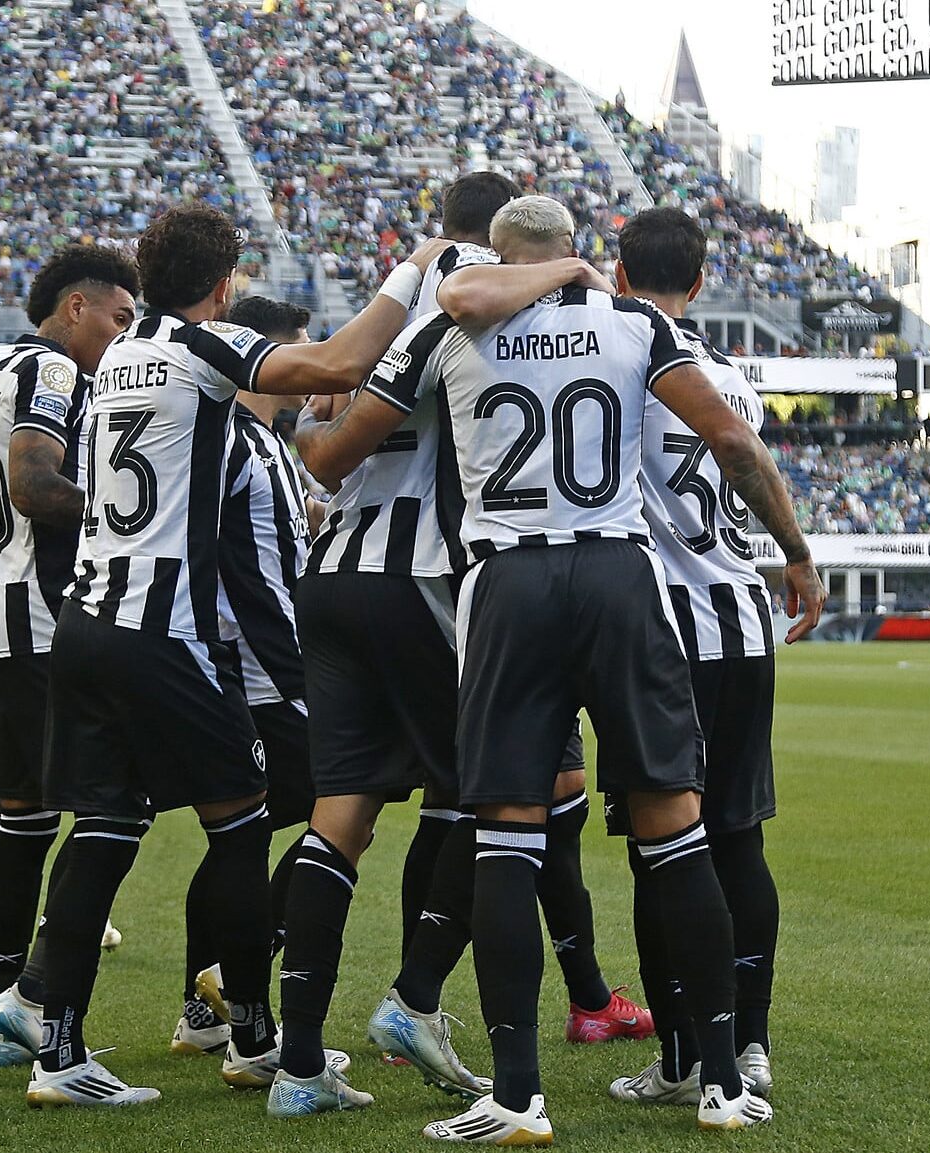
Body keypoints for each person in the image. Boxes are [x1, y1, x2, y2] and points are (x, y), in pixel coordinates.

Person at [344, 195, 820, 1142]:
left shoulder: (451, 324)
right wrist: (795, 551)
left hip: (510, 582)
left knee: (507, 838)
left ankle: (517, 1095)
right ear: (572, 254)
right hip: (618, 575)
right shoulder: (635, 320)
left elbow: (344, 436)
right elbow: (729, 439)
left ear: (499, 257)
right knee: (678, 828)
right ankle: (723, 1077)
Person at [22, 204, 447, 1108]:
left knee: (101, 827)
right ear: (222, 290)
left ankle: (56, 1051)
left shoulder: (119, 355)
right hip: (159, 631)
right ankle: (257, 1038)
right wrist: (413, 274)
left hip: (87, 620)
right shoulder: (193, 345)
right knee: (242, 823)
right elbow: (335, 364)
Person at [267, 172, 636, 1119]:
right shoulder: (485, 296)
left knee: (342, 811)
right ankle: (417, 997)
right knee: (526, 788)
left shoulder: (396, 290)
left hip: (335, 571)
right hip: (427, 578)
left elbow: (323, 434)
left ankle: (299, 1064)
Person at [599, 207, 789, 1108]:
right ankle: (748, 1042)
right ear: (703, 281)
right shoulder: (733, 381)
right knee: (740, 841)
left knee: (661, 848)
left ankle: (679, 1057)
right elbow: (744, 458)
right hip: (744, 620)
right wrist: (799, 553)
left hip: (662, 636)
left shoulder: (624, 358)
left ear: (621, 274)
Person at [0, 243, 140, 1070]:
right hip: (39, 614)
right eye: (118, 317)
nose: (122, 333)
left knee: (22, 820)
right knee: (115, 803)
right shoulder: (54, 375)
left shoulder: (2, 372)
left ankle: (6, 1009)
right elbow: (34, 486)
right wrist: (124, 510)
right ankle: (40, 1004)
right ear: (77, 308)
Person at [166, 295, 324, 1061]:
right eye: (298, 350)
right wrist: (301, 670)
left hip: (267, 665)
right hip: (263, 669)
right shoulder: (232, 442)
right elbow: (242, 571)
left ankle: (203, 1008)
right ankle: (242, 973)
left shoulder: (269, 444)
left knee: (243, 831)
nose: (307, 364)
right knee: (345, 801)